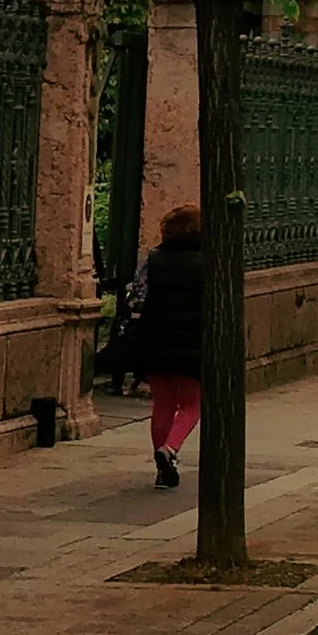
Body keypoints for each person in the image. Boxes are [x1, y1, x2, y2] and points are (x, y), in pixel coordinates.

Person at [135, 202, 206, 490]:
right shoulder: (208, 262)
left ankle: (162, 468)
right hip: (191, 343)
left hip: (155, 340)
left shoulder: (152, 260)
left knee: (162, 403)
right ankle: (170, 448)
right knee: (193, 403)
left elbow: (137, 297)